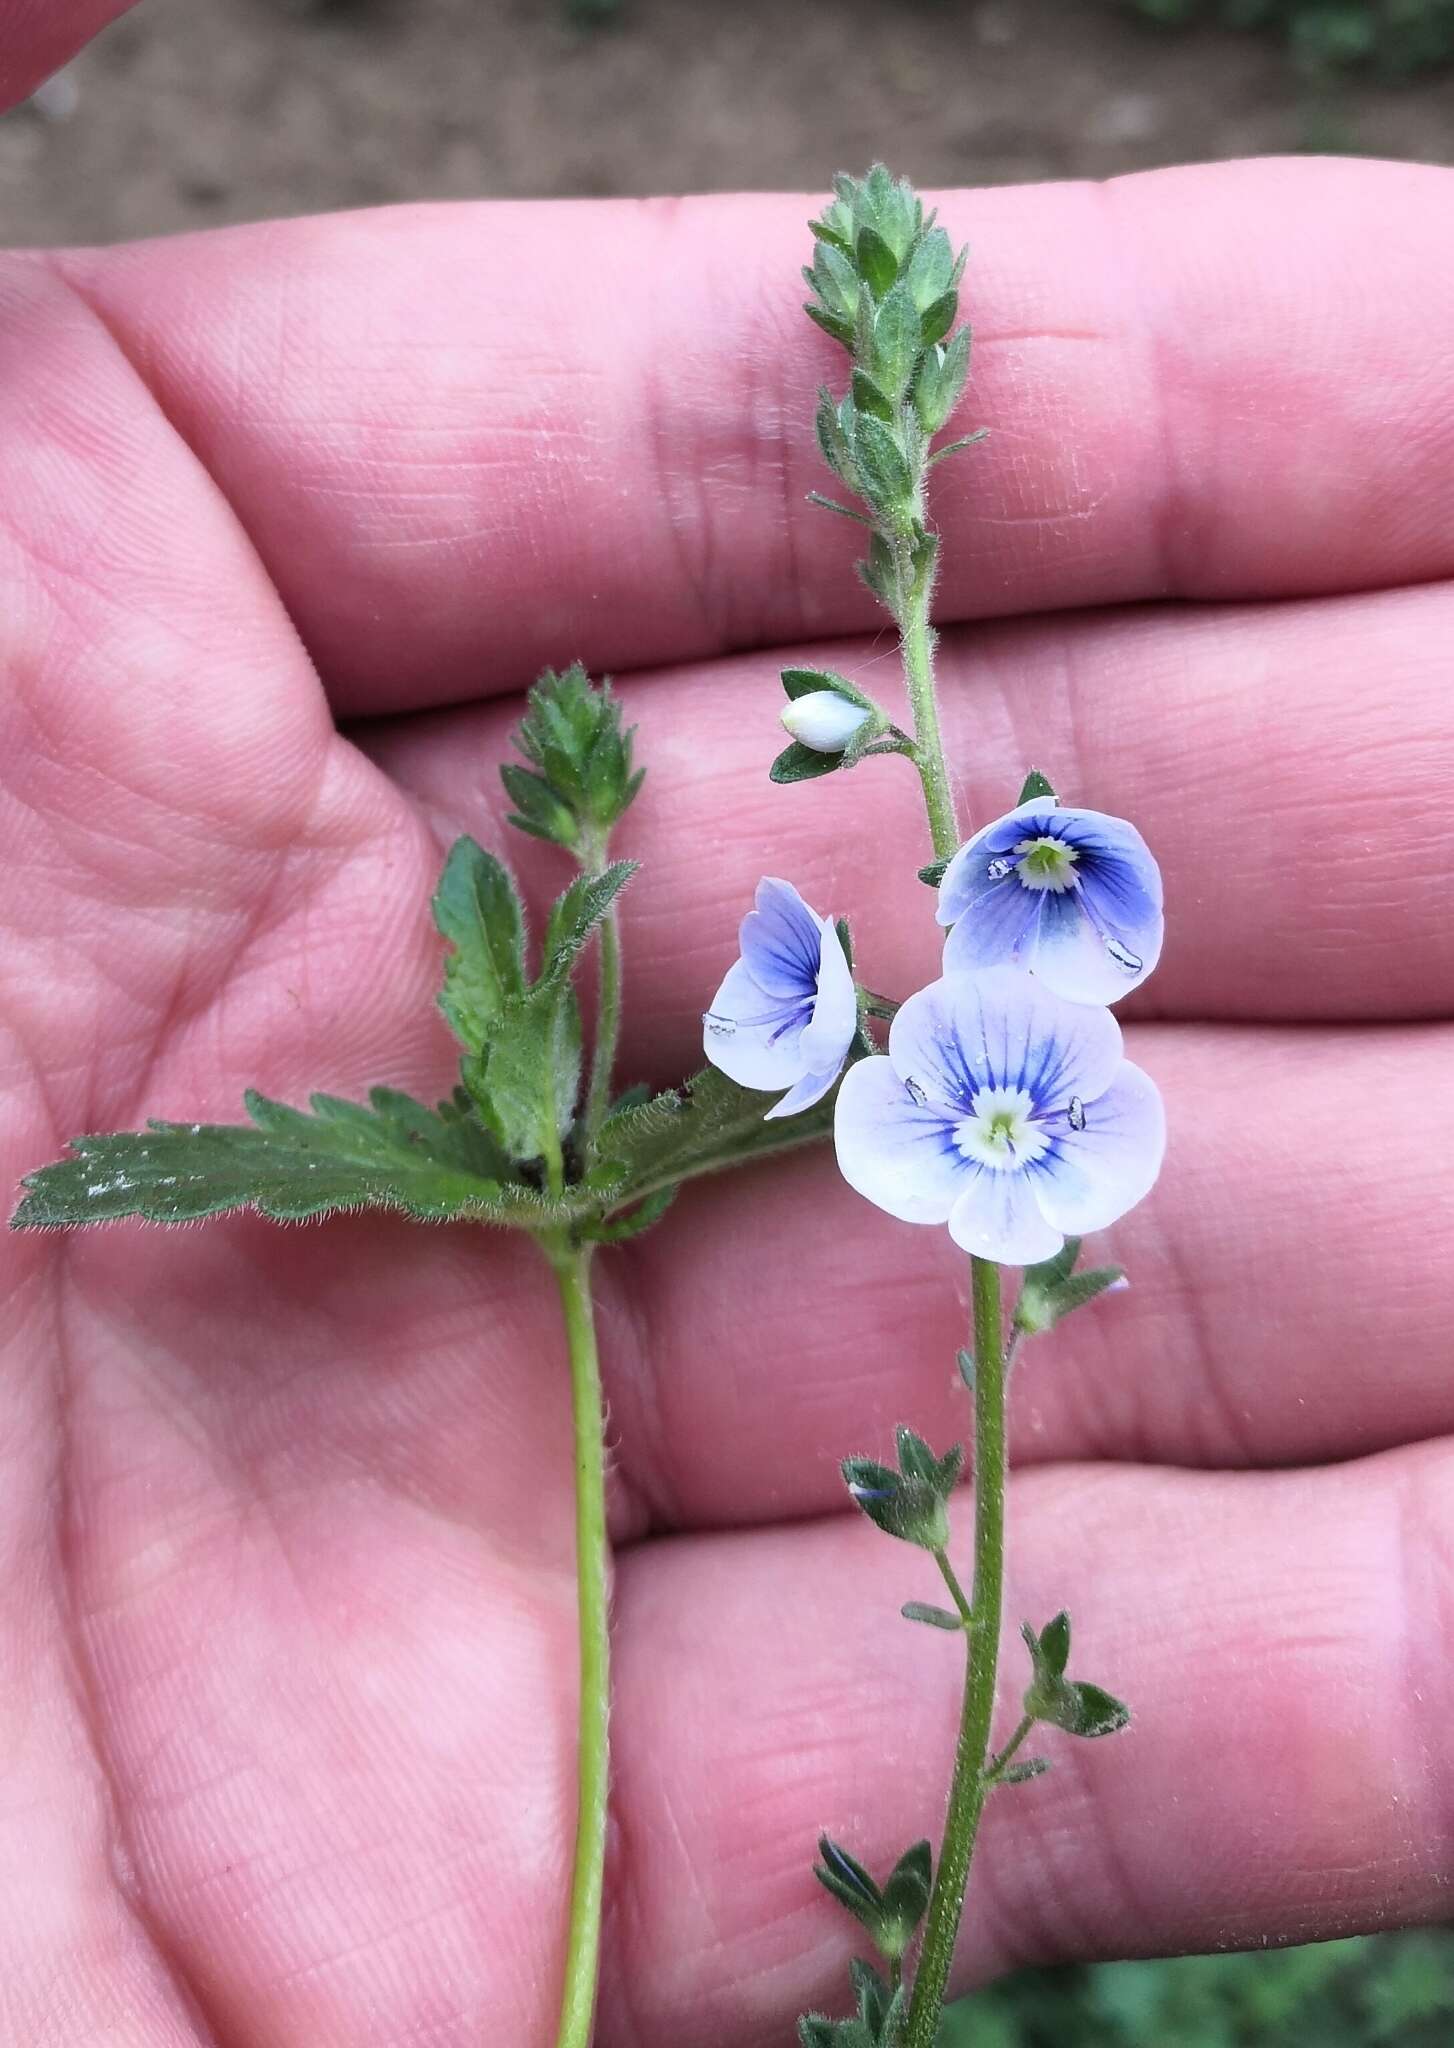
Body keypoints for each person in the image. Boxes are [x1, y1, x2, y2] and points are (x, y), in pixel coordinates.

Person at [2, 4, 1452, 2041]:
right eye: (1020, 865)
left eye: (1044, 868)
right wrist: (892, 1014)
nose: (1028, 881)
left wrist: (998, 958)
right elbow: (921, 1068)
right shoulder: (916, 1006)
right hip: (949, 1082)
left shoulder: (1034, 955)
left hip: (989, 1083)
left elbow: (1033, 1036)